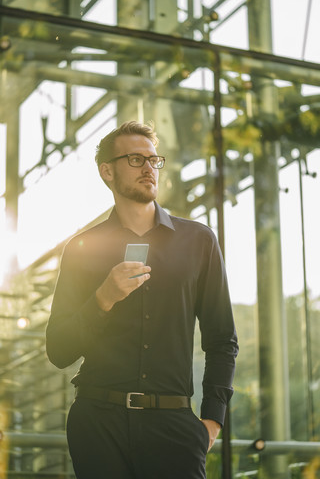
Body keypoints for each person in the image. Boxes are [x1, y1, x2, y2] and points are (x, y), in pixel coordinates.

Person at [46, 121, 238, 479]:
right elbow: (58, 350)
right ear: (107, 171)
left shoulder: (198, 241)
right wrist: (103, 298)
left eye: (154, 159)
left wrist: (211, 420)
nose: (149, 167)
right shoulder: (82, 249)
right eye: (135, 159)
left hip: (174, 427)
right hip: (97, 423)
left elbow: (222, 339)